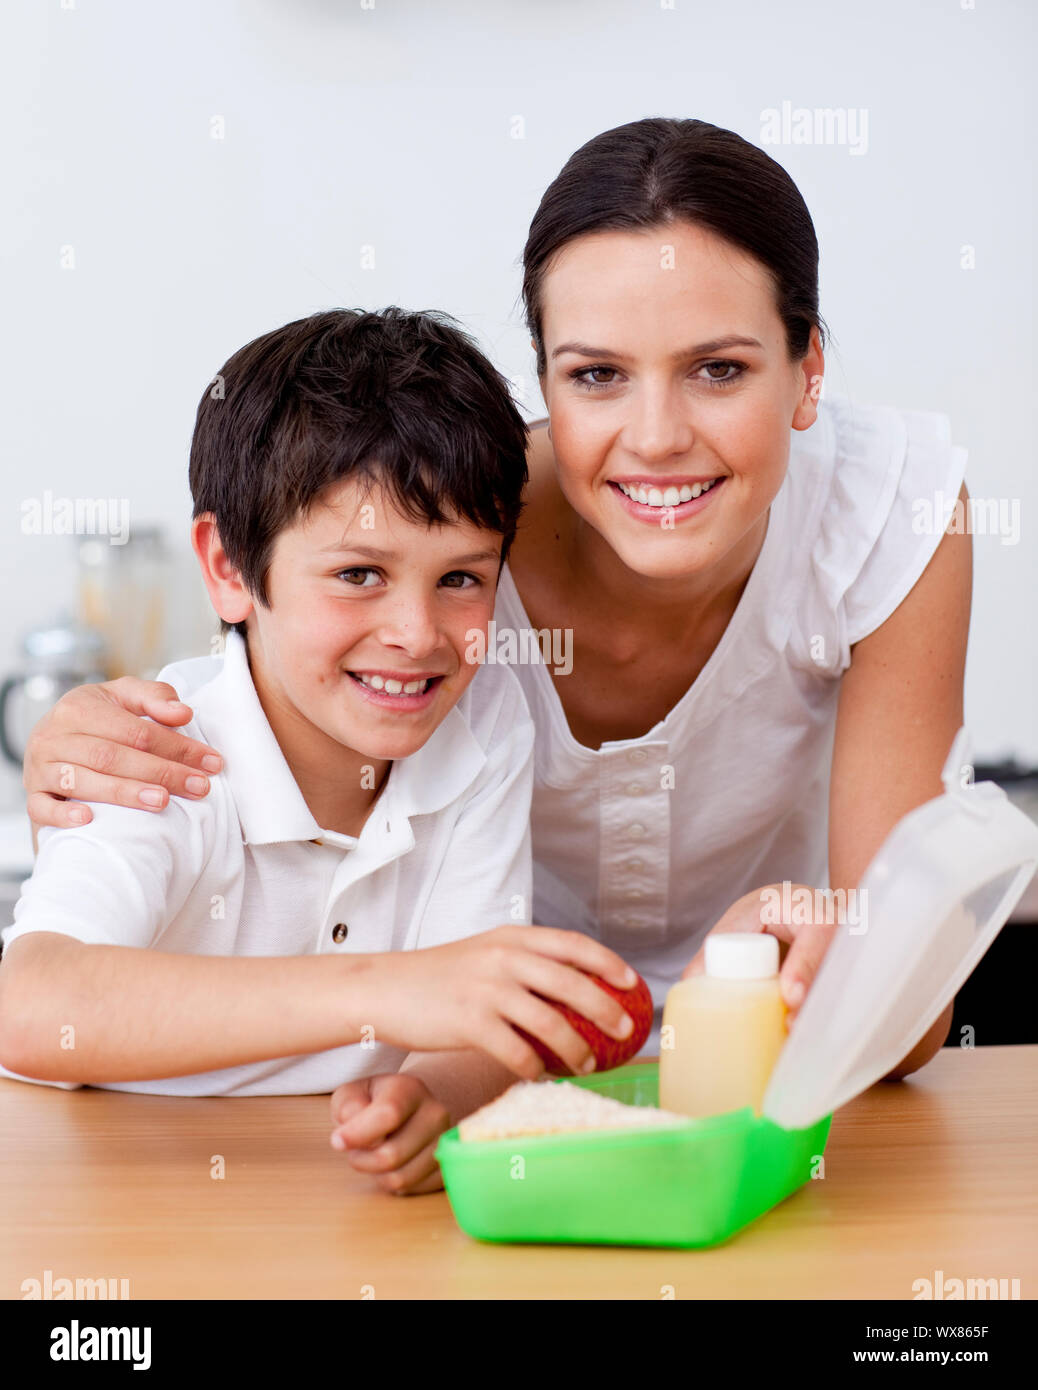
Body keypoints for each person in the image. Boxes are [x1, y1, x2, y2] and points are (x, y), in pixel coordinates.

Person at [20, 118, 971, 1082]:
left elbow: (904, 1007)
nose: (654, 438)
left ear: (809, 368)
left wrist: (767, 975)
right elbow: (271, 644)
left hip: (708, 1063)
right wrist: (84, 737)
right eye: (596, 375)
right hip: (501, 1068)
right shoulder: (450, 516)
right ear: (545, 373)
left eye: (717, 369)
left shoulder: (889, 512)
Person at [0, 307, 640, 1196]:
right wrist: (384, 988)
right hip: (114, 1194)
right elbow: (31, 1008)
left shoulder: (484, 726)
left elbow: (470, 1020)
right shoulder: (155, 750)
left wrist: (432, 1095)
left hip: (321, 1209)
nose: (417, 635)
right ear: (228, 569)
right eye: (358, 575)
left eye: (461, 578)